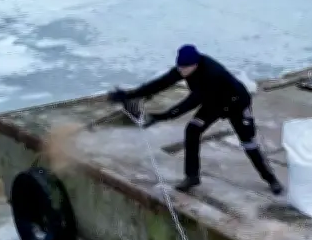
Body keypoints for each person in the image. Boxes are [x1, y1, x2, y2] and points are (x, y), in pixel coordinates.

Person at [108, 45, 284, 195]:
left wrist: (161, 116)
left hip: (236, 103)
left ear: (195, 64)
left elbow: (189, 103)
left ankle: (271, 179)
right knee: (192, 130)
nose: (181, 71)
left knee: (249, 144)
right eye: (180, 67)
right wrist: (129, 95)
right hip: (213, 103)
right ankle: (192, 177)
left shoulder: (211, 74)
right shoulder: (184, 67)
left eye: (185, 68)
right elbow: (160, 83)